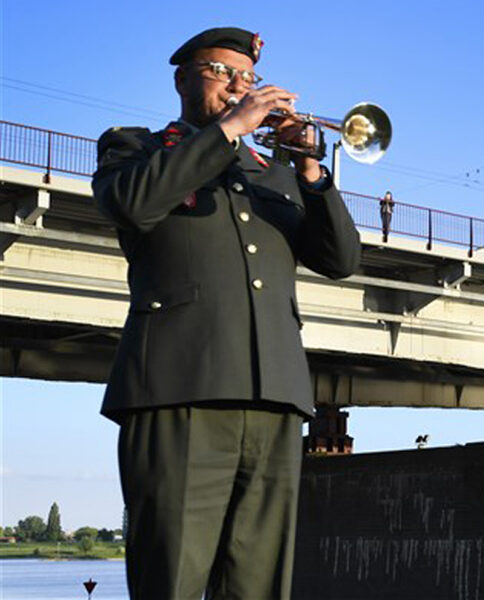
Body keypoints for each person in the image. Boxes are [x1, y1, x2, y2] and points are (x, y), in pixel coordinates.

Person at [93, 27, 361, 600]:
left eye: (249, 78)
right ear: (182, 78)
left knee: (259, 584)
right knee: (174, 580)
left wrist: (312, 170)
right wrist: (229, 130)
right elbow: (132, 204)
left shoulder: (277, 173)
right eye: (222, 71)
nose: (239, 85)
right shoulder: (136, 147)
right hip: (178, 391)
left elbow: (341, 260)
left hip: (276, 399)